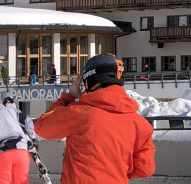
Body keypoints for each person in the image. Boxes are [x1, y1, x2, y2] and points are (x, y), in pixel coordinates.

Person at [34, 53, 155, 183]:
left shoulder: (80, 112)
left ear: (89, 80)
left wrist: (67, 98)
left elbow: (42, 127)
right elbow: (145, 169)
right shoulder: (140, 123)